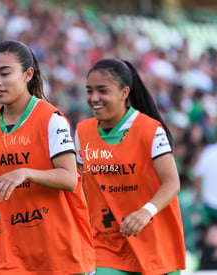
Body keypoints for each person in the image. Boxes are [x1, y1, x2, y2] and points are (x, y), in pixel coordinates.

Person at [0, 40, 95, 275]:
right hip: (9, 247)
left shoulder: (51, 119)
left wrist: (25, 172)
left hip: (56, 250)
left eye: (5, 73)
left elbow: (69, 178)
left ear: (28, 74)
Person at [75, 59, 186, 274]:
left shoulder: (150, 130)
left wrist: (146, 211)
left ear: (124, 92)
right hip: (107, 245)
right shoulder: (82, 132)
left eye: (102, 91)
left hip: (156, 244)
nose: (94, 98)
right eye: (89, 91)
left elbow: (172, 183)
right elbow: (81, 188)